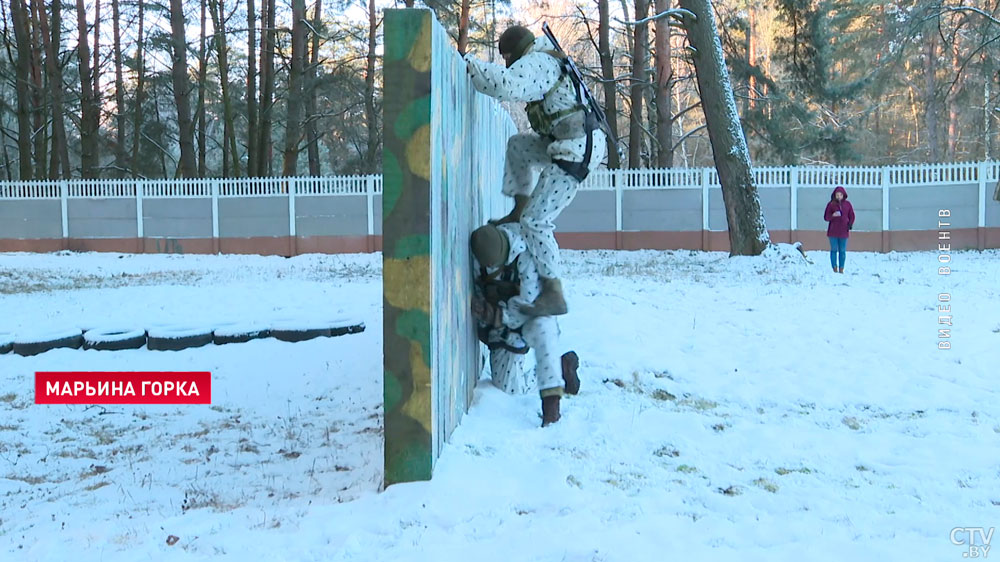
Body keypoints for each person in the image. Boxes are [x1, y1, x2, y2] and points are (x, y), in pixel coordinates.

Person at [464, 25, 607, 317]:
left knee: (536, 222)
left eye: (507, 58)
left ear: (513, 54)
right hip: (561, 142)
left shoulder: (538, 62)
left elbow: (506, 85)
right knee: (518, 146)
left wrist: (469, 65)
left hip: (576, 149)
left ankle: (554, 290)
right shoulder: (546, 57)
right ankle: (520, 206)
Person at [470, 222, 580, 427]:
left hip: (534, 315)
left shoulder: (526, 256)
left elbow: (526, 307)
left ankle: (551, 413)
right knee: (506, 387)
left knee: (545, 339)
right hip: (503, 323)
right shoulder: (481, 250)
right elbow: (479, 288)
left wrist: (495, 315)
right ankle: (562, 366)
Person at [823, 186, 855, 273]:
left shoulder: (848, 204)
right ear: (834, 195)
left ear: (843, 195)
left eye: (840, 195)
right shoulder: (831, 204)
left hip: (844, 231)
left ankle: (841, 268)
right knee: (834, 249)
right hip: (833, 231)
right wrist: (833, 216)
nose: (839, 197)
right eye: (837, 195)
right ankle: (834, 267)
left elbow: (852, 215)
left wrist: (850, 224)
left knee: (842, 251)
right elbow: (826, 217)